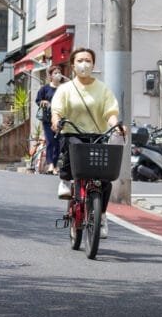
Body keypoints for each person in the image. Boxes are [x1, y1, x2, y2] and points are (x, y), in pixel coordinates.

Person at [50, 48, 124, 238]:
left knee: (105, 177)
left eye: (88, 60)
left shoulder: (102, 89)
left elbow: (110, 112)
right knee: (71, 147)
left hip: (97, 135)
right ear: (73, 65)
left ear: (93, 64)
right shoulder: (65, 89)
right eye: (80, 60)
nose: (85, 64)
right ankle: (66, 180)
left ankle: (102, 214)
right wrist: (56, 121)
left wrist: (116, 126)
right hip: (72, 132)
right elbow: (57, 110)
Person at [35, 64, 63, 174]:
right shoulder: (45, 88)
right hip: (47, 120)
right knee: (50, 141)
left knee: (59, 143)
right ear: (50, 76)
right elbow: (38, 100)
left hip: (61, 120)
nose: (58, 75)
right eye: (55, 73)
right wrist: (44, 102)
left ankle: (55, 165)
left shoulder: (64, 88)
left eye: (59, 72)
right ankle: (51, 165)